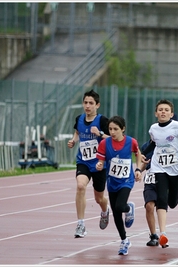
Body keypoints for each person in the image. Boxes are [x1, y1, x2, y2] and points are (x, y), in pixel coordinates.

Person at [141, 99, 178, 248]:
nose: (163, 112)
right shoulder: (153, 128)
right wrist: (142, 153)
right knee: (161, 198)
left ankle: (171, 201)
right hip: (159, 167)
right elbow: (153, 143)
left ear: (171, 113)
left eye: (166, 110)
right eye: (160, 109)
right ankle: (163, 234)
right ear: (156, 113)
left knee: (171, 202)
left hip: (176, 168)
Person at [95, 116, 142, 256]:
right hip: (112, 181)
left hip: (126, 180)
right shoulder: (104, 143)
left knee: (120, 206)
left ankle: (129, 208)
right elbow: (101, 161)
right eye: (110, 129)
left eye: (115, 129)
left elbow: (138, 154)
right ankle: (124, 240)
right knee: (115, 213)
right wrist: (99, 165)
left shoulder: (131, 142)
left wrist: (138, 169)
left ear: (123, 129)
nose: (113, 132)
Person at [67, 89, 109, 238]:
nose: (88, 106)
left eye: (91, 103)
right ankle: (81, 224)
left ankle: (105, 211)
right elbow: (78, 132)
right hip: (83, 161)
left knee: (99, 198)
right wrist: (73, 140)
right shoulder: (79, 118)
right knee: (80, 186)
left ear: (97, 105)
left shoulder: (103, 121)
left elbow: (113, 138)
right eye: (85, 102)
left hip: (99, 163)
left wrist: (100, 134)